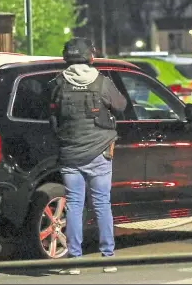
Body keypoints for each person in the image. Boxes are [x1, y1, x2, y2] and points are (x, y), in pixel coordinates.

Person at [48, 38, 127, 275]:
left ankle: (74, 261)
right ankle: (108, 258)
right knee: (102, 203)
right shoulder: (102, 82)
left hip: (70, 154)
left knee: (74, 205)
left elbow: (52, 114)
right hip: (100, 153)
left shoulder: (58, 83)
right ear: (90, 57)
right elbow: (121, 106)